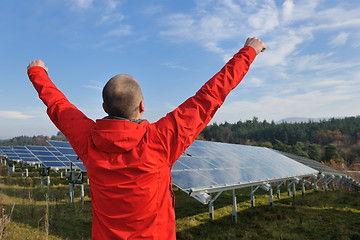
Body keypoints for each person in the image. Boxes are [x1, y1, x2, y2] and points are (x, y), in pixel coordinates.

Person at [27, 37, 266, 239]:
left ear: (104, 106)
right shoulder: (160, 140)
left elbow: (58, 106)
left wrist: (37, 72)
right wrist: (249, 51)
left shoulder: (88, 141)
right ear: (142, 105)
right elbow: (210, 95)